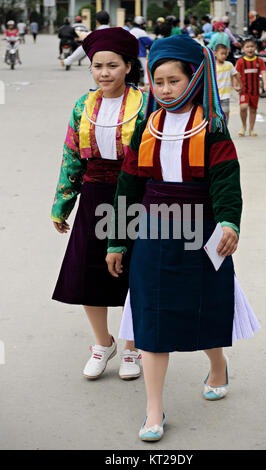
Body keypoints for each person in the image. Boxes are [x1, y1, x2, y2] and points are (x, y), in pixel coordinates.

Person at [106, 35, 260, 441]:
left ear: (194, 79)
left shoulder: (212, 128)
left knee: (205, 305)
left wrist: (229, 222)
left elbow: (227, 181)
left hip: (200, 230)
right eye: (158, 82)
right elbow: (129, 184)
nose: (165, 89)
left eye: (174, 80)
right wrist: (118, 240)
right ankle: (153, 410)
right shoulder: (146, 127)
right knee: (151, 315)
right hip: (154, 233)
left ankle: (217, 364)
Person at [51, 28, 147, 381]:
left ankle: (132, 347)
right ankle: (102, 343)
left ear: (127, 67)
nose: (104, 73)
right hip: (93, 195)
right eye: (97, 66)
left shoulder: (146, 105)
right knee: (88, 270)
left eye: (112, 65)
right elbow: (71, 157)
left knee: (133, 271)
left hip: (135, 195)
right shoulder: (83, 106)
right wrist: (62, 205)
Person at [236, 38, 266, 136]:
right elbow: (235, 74)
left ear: (255, 48)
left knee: (253, 110)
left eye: (252, 47)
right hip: (244, 90)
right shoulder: (241, 61)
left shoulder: (259, 61)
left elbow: (263, 72)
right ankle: (243, 127)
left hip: (255, 90)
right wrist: (236, 85)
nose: (250, 49)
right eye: (247, 47)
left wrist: (265, 84)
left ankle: (251, 129)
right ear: (243, 49)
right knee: (243, 107)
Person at [215, 44, 242, 122]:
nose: (224, 56)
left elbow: (235, 75)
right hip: (215, 96)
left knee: (226, 112)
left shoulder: (229, 65)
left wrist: (239, 84)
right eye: (222, 53)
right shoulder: (212, 66)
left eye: (225, 54)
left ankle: (225, 129)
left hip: (225, 95)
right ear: (215, 53)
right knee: (216, 114)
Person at [130, 16, 153, 87]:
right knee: (147, 68)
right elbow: (150, 42)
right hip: (141, 54)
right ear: (141, 24)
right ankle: (146, 84)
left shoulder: (130, 31)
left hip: (131, 54)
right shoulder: (141, 32)